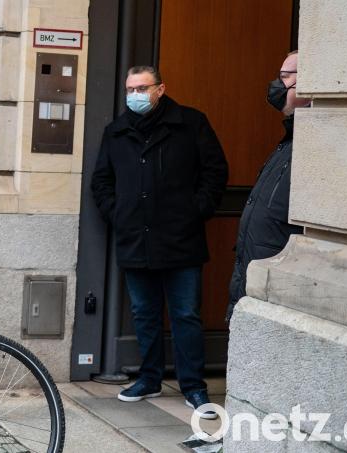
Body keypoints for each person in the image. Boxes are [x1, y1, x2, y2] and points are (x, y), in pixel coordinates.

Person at [91, 66, 228, 419]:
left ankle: (194, 387)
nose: (134, 95)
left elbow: (215, 171)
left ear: (161, 88)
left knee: (185, 314)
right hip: (135, 238)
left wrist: (196, 210)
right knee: (144, 314)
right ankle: (149, 378)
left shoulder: (191, 123)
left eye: (142, 87)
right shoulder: (116, 132)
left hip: (181, 239)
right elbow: (101, 181)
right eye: (130, 88)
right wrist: (118, 214)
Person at [226, 51, 308, 321]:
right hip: (255, 278)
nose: (277, 84)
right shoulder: (289, 140)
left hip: (277, 286)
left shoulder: (311, 144)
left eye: (284, 77)